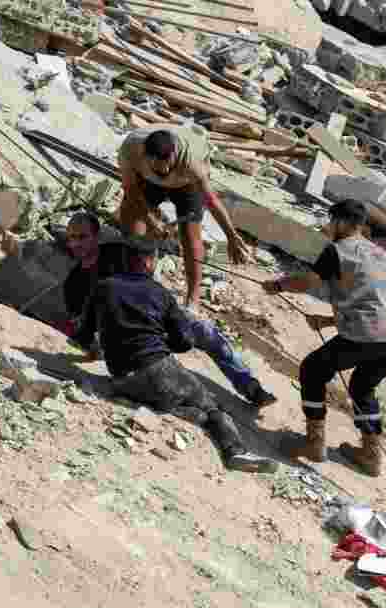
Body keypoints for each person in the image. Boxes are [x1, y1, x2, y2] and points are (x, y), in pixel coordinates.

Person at [71, 235, 277, 474]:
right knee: (213, 409)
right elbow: (186, 341)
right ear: (148, 263)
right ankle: (235, 452)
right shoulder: (160, 294)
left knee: (175, 400)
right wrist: (163, 344)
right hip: (158, 368)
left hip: (121, 378)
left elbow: (82, 335)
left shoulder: (102, 287)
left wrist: (97, 350)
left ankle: (186, 413)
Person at [261, 198, 386, 477]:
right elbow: (377, 300)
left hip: (367, 333)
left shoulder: (338, 251)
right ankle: (370, 456)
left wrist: (279, 284)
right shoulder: (381, 255)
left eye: (331, 220)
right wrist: (328, 320)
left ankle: (314, 443)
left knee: (313, 370)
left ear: (342, 223)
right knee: (362, 386)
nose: (328, 225)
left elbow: (308, 283)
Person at [61, 211, 277, 409]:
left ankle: (250, 387)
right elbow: (83, 329)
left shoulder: (120, 252)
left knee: (205, 331)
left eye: (82, 237)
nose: (75, 243)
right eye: (71, 238)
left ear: (97, 236)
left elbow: (150, 265)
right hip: (126, 341)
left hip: (156, 321)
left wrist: (158, 233)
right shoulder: (73, 283)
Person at [117, 124, 251, 311]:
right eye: (157, 167)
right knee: (130, 217)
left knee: (190, 236)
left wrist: (231, 235)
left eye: (166, 167)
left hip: (187, 184)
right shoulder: (131, 149)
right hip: (148, 181)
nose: (163, 172)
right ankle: (135, 274)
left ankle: (192, 299)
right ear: (146, 157)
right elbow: (131, 189)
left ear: (173, 155)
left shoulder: (192, 163)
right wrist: (150, 220)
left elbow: (211, 201)